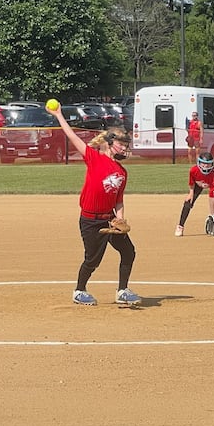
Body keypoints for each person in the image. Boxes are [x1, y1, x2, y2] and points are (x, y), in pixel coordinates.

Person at [45, 102, 141, 307]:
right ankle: (79, 291)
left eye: (126, 145)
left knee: (128, 252)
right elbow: (72, 137)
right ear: (110, 143)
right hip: (90, 221)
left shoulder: (122, 172)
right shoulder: (94, 158)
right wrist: (59, 115)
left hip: (109, 220)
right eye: (122, 144)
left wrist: (120, 219)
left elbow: (118, 200)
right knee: (93, 259)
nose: (125, 148)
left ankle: (122, 291)